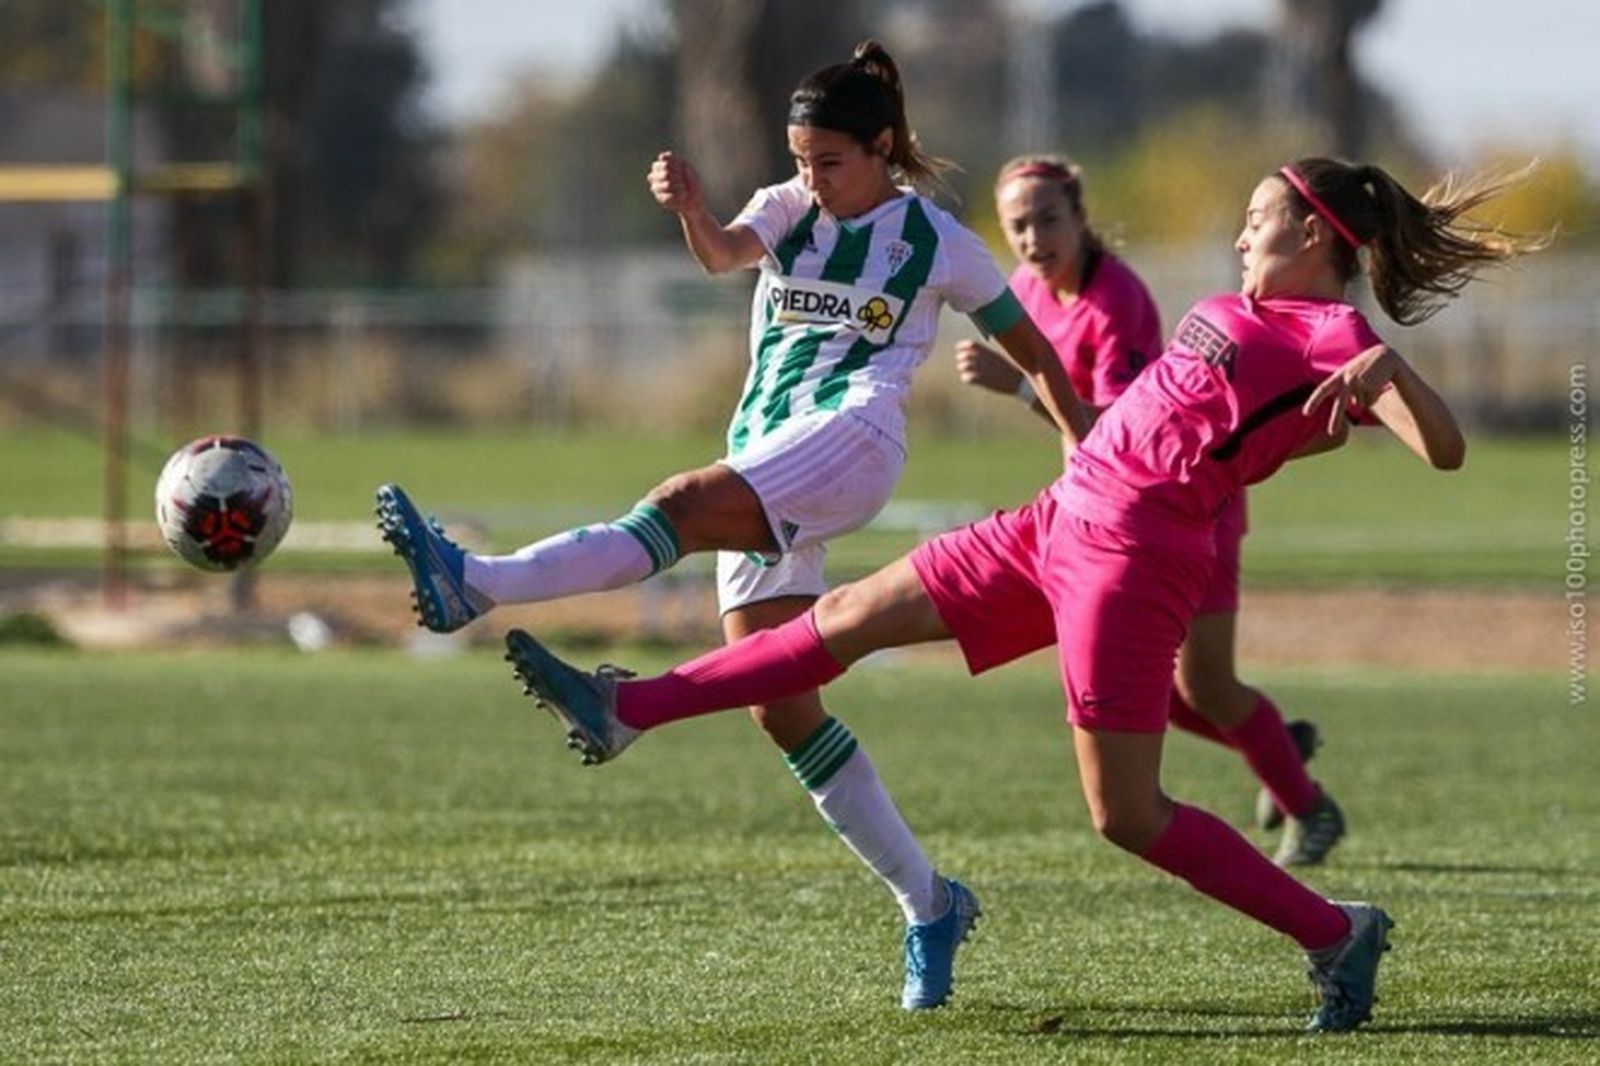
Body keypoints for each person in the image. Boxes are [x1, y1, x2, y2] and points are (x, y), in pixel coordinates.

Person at [503, 157, 1542, 1031]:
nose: (1237, 237)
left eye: (1257, 220)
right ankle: (627, 706)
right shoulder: (1234, 306)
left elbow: (1443, 451)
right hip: (1058, 516)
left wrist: (1384, 377)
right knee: (844, 621)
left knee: (1124, 814)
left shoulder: (1325, 330)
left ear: (1315, 236)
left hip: (1135, 561)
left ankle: (1336, 931)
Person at [375, 40, 1089, 1011]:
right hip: (769, 445)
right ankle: (930, 903)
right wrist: (690, 210)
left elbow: (1038, 353)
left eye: (829, 162)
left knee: (673, 506)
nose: (811, 177)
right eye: (800, 160)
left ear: (882, 148)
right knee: (780, 704)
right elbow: (721, 255)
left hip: (853, 437)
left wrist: (1087, 456)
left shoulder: (937, 241)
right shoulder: (789, 206)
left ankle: (478, 583)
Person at [954, 154, 1338, 866]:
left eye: (1048, 219)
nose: (1035, 237)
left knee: (1205, 684)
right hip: (1102, 517)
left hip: (1192, 504)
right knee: (1126, 688)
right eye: (1018, 225)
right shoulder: (1029, 293)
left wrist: (1017, 388)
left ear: (1080, 218)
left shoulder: (1117, 300)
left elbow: (1109, 422)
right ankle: (1274, 742)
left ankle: (1309, 806)